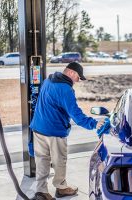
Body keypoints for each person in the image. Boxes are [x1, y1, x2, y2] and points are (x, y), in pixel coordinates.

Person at [29, 62, 105, 200]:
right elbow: (76, 115)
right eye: (77, 77)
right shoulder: (65, 90)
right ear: (70, 73)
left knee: (41, 161)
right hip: (54, 132)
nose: (77, 81)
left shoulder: (48, 81)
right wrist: (94, 124)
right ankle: (61, 188)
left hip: (38, 129)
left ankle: (41, 191)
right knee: (59, 161)